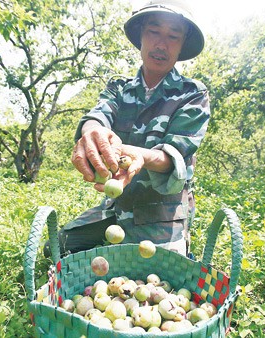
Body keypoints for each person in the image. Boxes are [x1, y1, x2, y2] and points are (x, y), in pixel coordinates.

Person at [44, 0, 210, 257]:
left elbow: (173, 155)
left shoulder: (192, 94)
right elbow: (98, 115)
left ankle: (178, 246)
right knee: (57, 248)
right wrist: (92, 132)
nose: (161, 45)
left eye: (173, 36)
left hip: (162, 212)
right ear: (142, 34)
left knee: (155, 275)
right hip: (117, 206)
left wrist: (141, 156)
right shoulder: (119, 88)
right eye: (154, 32)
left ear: (182, 44)